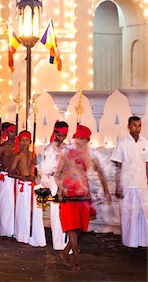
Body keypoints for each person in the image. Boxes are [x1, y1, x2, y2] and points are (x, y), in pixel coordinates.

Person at [54, 124, 111, 270]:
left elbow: (100, 172)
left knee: (80, 227)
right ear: (74, 138)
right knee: (72, 227)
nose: (81, 142)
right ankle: (77, 259)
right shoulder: (65, 153)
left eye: (85, 139)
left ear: (88, 141)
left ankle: (65, 253)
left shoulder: (89, 154)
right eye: (79, 138)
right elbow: (57, 174)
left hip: (83, 194)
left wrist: (106, 191)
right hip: (69, 194)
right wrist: (62, 189)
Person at [111, 116, 148, 248]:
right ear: (128, 126)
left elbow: (147, 164)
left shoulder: (145, 142)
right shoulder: (122, 143)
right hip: (128, 184)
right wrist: (118, 185)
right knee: (129, 214)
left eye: (139, 125)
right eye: (134, 125)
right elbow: (118, 165)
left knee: (144, 214)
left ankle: (143, 241)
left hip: (142, 184)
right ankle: (129, 242)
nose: (137, 128)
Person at [9, 131, 45, 247]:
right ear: (19, 142)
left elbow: (37, 170)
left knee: (35, 211)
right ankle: (22, 236)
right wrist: (23, 178)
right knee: (23, 210)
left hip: (33, 186)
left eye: (27, 140)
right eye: (22, 140)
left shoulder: (33, 155)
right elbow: (10, 173)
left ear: (30, 141)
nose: (24, 143)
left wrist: (36, 176)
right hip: (23, 186)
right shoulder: (18, 155)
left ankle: (34, 235)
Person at [40, 121, 69, 250]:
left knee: (66, 212)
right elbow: (47, 168)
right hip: (54, 181)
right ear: (55, 133)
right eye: (59, 134)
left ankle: (65, 241)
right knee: (56, 212)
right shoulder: (50, 148)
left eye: (64, 134)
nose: (62, 137)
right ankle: (58, 244)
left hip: (66, 181)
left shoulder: (67, 148)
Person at [0, 123, 17, 237]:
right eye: (11, 132)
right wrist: (5, 170)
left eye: (15, 131)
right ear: (6, 133)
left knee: (16, 205)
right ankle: (6, 232)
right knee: (7, 204)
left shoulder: (19, 146)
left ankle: (15, 230)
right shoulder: (3, 147)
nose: (14, 134)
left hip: (17, 178)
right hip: (6, 178)